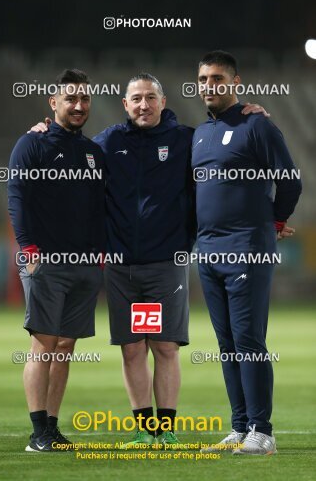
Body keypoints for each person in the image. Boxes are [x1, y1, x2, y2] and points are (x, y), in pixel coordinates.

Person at [31, 72, 268, 446]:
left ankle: (166, 430)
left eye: (150, 98)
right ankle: (144, 429)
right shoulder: (108, 143)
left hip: (164, 263)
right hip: (123, 266)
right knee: (132, 348)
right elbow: (71, 151)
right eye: (136, 99)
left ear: (163, 101)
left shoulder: (186, 140)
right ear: (126, 105)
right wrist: (45, 133)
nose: (144, 105)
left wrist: (248, 116)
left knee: (164, 346)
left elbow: (228, 153)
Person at [192, 51, 302, 455]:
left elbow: (290, 180)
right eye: (203, 79)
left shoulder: (257, 125)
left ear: (236, 82)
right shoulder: (200, 135)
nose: (209, 86)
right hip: (208, 251)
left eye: (218, 79)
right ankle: (239, 427)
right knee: (226, 344)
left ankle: (263, 431)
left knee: (249, 341)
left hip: (247, 250)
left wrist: (273, 222)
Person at [8, 69, 105, 452]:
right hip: (45, 260)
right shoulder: (31, 145)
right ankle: (37, 435)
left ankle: (51, 427)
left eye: (84, 99)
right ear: (53, 103)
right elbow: (17, 198)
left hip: (84, 264)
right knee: (44, 345)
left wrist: (98, 255)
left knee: (65, 347)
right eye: (70, 99)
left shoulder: (94, 153)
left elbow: (99, 209)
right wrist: (29, 251)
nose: (79, 106)